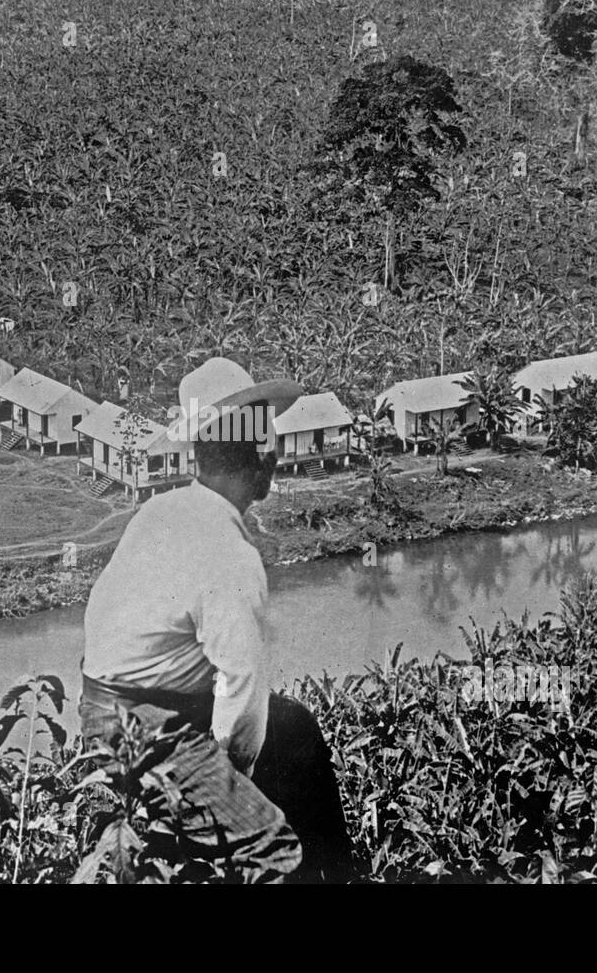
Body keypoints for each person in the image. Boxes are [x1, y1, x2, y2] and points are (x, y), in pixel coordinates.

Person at [79, 357, 355, 883]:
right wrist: (236, 787)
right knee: (271, 850)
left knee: (295, 727)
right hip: (145, 724)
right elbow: (242, 690)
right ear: (258, 457)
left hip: (119, 704)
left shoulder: (167, 511)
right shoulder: (226, 550)